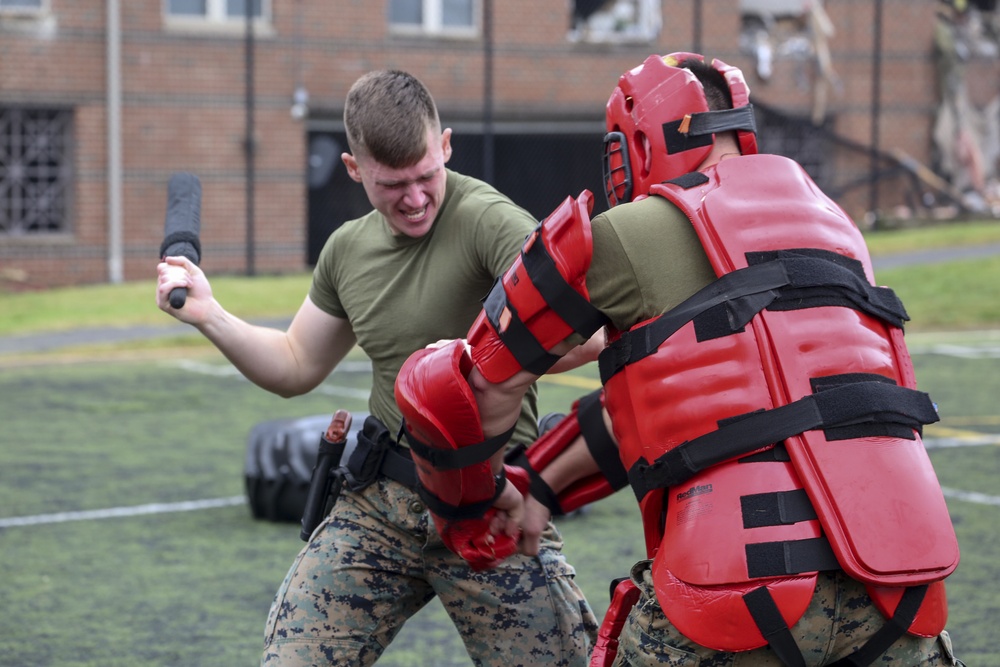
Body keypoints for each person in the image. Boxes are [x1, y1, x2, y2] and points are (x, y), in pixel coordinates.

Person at [393, 54, 965, 666]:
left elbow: (477, 385)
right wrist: (541, 482)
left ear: (638, 143)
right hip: (897, 591)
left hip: (736, 583)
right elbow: (706, 405)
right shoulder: (838, 228)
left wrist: (471, 508)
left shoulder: (628, 233)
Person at [156, 69, 599, 667]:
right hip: (380, 503)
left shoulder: (487, 219)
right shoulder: (347, 249)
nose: (415, 199)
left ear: (445, 145)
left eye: (425, 176)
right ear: (353, 169)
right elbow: (294, 365)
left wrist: (471, 360)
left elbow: (584, 329)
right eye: (393, 185)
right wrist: (210, 314)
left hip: (488, 503)